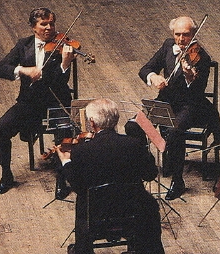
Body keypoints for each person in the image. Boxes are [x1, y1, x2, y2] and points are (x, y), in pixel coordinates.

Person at [127, 16, 220, 200]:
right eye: (177, 34)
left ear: (193, 34)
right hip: (165, 101)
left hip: (190, 105)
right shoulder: (167, 46)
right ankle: (146, 163)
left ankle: (177, 181)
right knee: (133, 126)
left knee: (175, 131)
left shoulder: (201, 57)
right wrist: (154, 77)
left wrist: (189, 76)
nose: (181, 39)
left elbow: (198, 91)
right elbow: (145, 69)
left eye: (186, 35)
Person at [56, 98, 165, 254]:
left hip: (96, 215)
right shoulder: (133, 145)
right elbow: (150, 174)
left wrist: (66, 162)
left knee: (83, 201)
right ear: (116, 119)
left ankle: (82, 249)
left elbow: (78, 187)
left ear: (92, 123)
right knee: (149, 205)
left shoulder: (81, 151)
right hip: (132, 212)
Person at [0, 7, 75, 196]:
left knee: (64, 133)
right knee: (0, 128)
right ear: (33, 27)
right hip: (29, 103)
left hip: (56, 102)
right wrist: (23, 70)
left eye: (51, 24)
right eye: (43, 24)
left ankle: (61, 180)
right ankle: (6, 175)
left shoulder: (63, 47)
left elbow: (60, 82)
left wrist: (64, 64)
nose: (49, 28)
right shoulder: (23, 45)